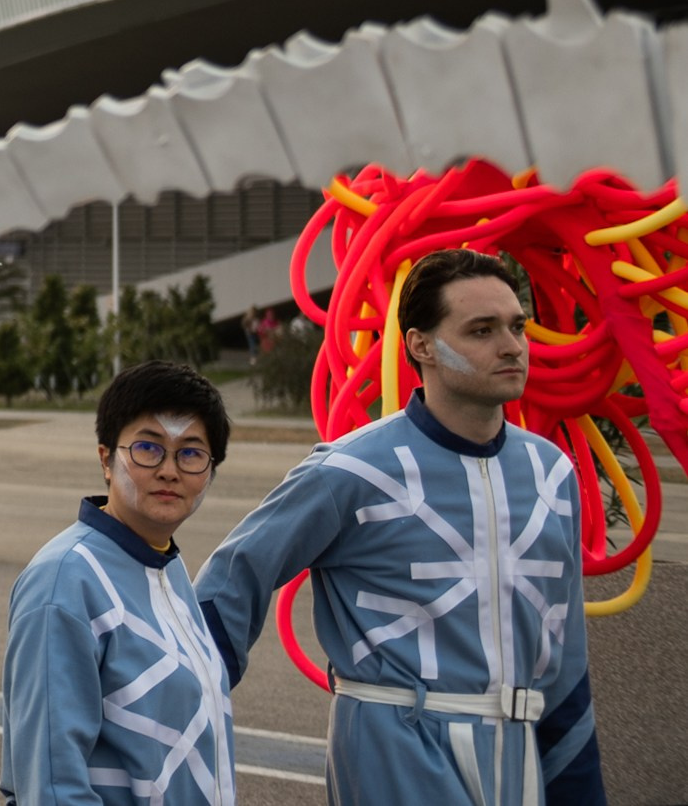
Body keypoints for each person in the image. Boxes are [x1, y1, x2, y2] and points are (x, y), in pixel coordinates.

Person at [196, 248, 604, 806]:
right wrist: (179, 716)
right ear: (421, 345)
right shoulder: (352, 469)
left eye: (516, 326)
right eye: (481, 330)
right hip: (393, 749)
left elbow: (566, 657)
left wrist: (579, 787)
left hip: (520, 755)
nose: (511, 346)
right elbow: (235, 576)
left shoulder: (551, 473)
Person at [1, 360, 235, 806]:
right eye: (149, 448)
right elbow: (50, 785)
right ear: (107, 459)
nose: (170, 470)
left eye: (191, 452)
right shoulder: (65, 582)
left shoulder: (166, 565)